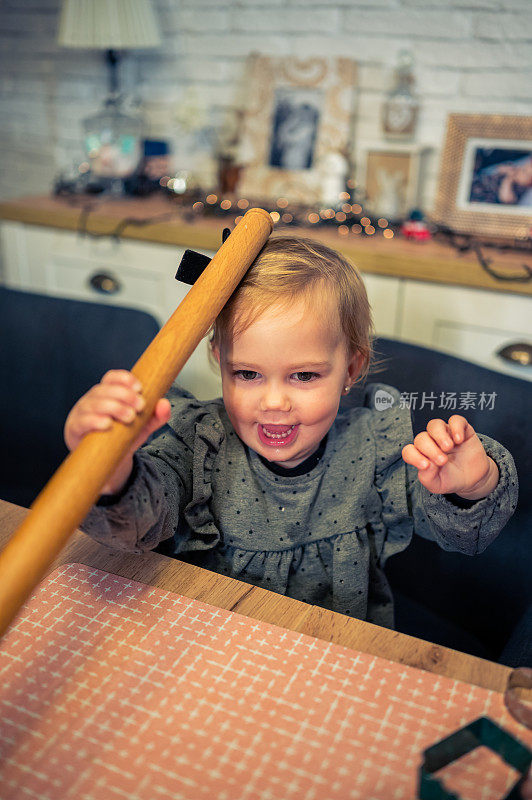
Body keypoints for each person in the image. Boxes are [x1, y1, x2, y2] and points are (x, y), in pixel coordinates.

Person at [65, 236, 518, 627]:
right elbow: (131, 529)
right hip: (203, 646)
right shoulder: (197, 442)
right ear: (218, 360)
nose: (274, 402)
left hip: (332, 656)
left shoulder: (375, 443)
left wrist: (472, 486)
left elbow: (461, 536)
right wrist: (109, 471)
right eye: (247, 374)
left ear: (350, 369)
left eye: (304, 376)